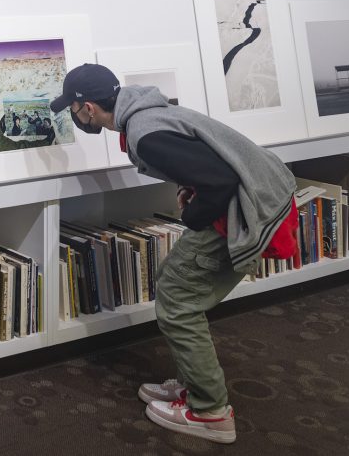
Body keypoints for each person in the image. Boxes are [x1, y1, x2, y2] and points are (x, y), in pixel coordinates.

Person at [49, 63, 298, 445]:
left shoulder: (146, 134)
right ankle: (191, 386)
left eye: (73, 108)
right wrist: (192, 187)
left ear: (88, 107)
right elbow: (208, 161)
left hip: (246, 207)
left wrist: (192, 213)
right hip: (255, 194)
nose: (75, 116)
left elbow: (222, 180)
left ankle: (210, 411)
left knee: (178, 300)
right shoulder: (148, 113)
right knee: (172, 282)